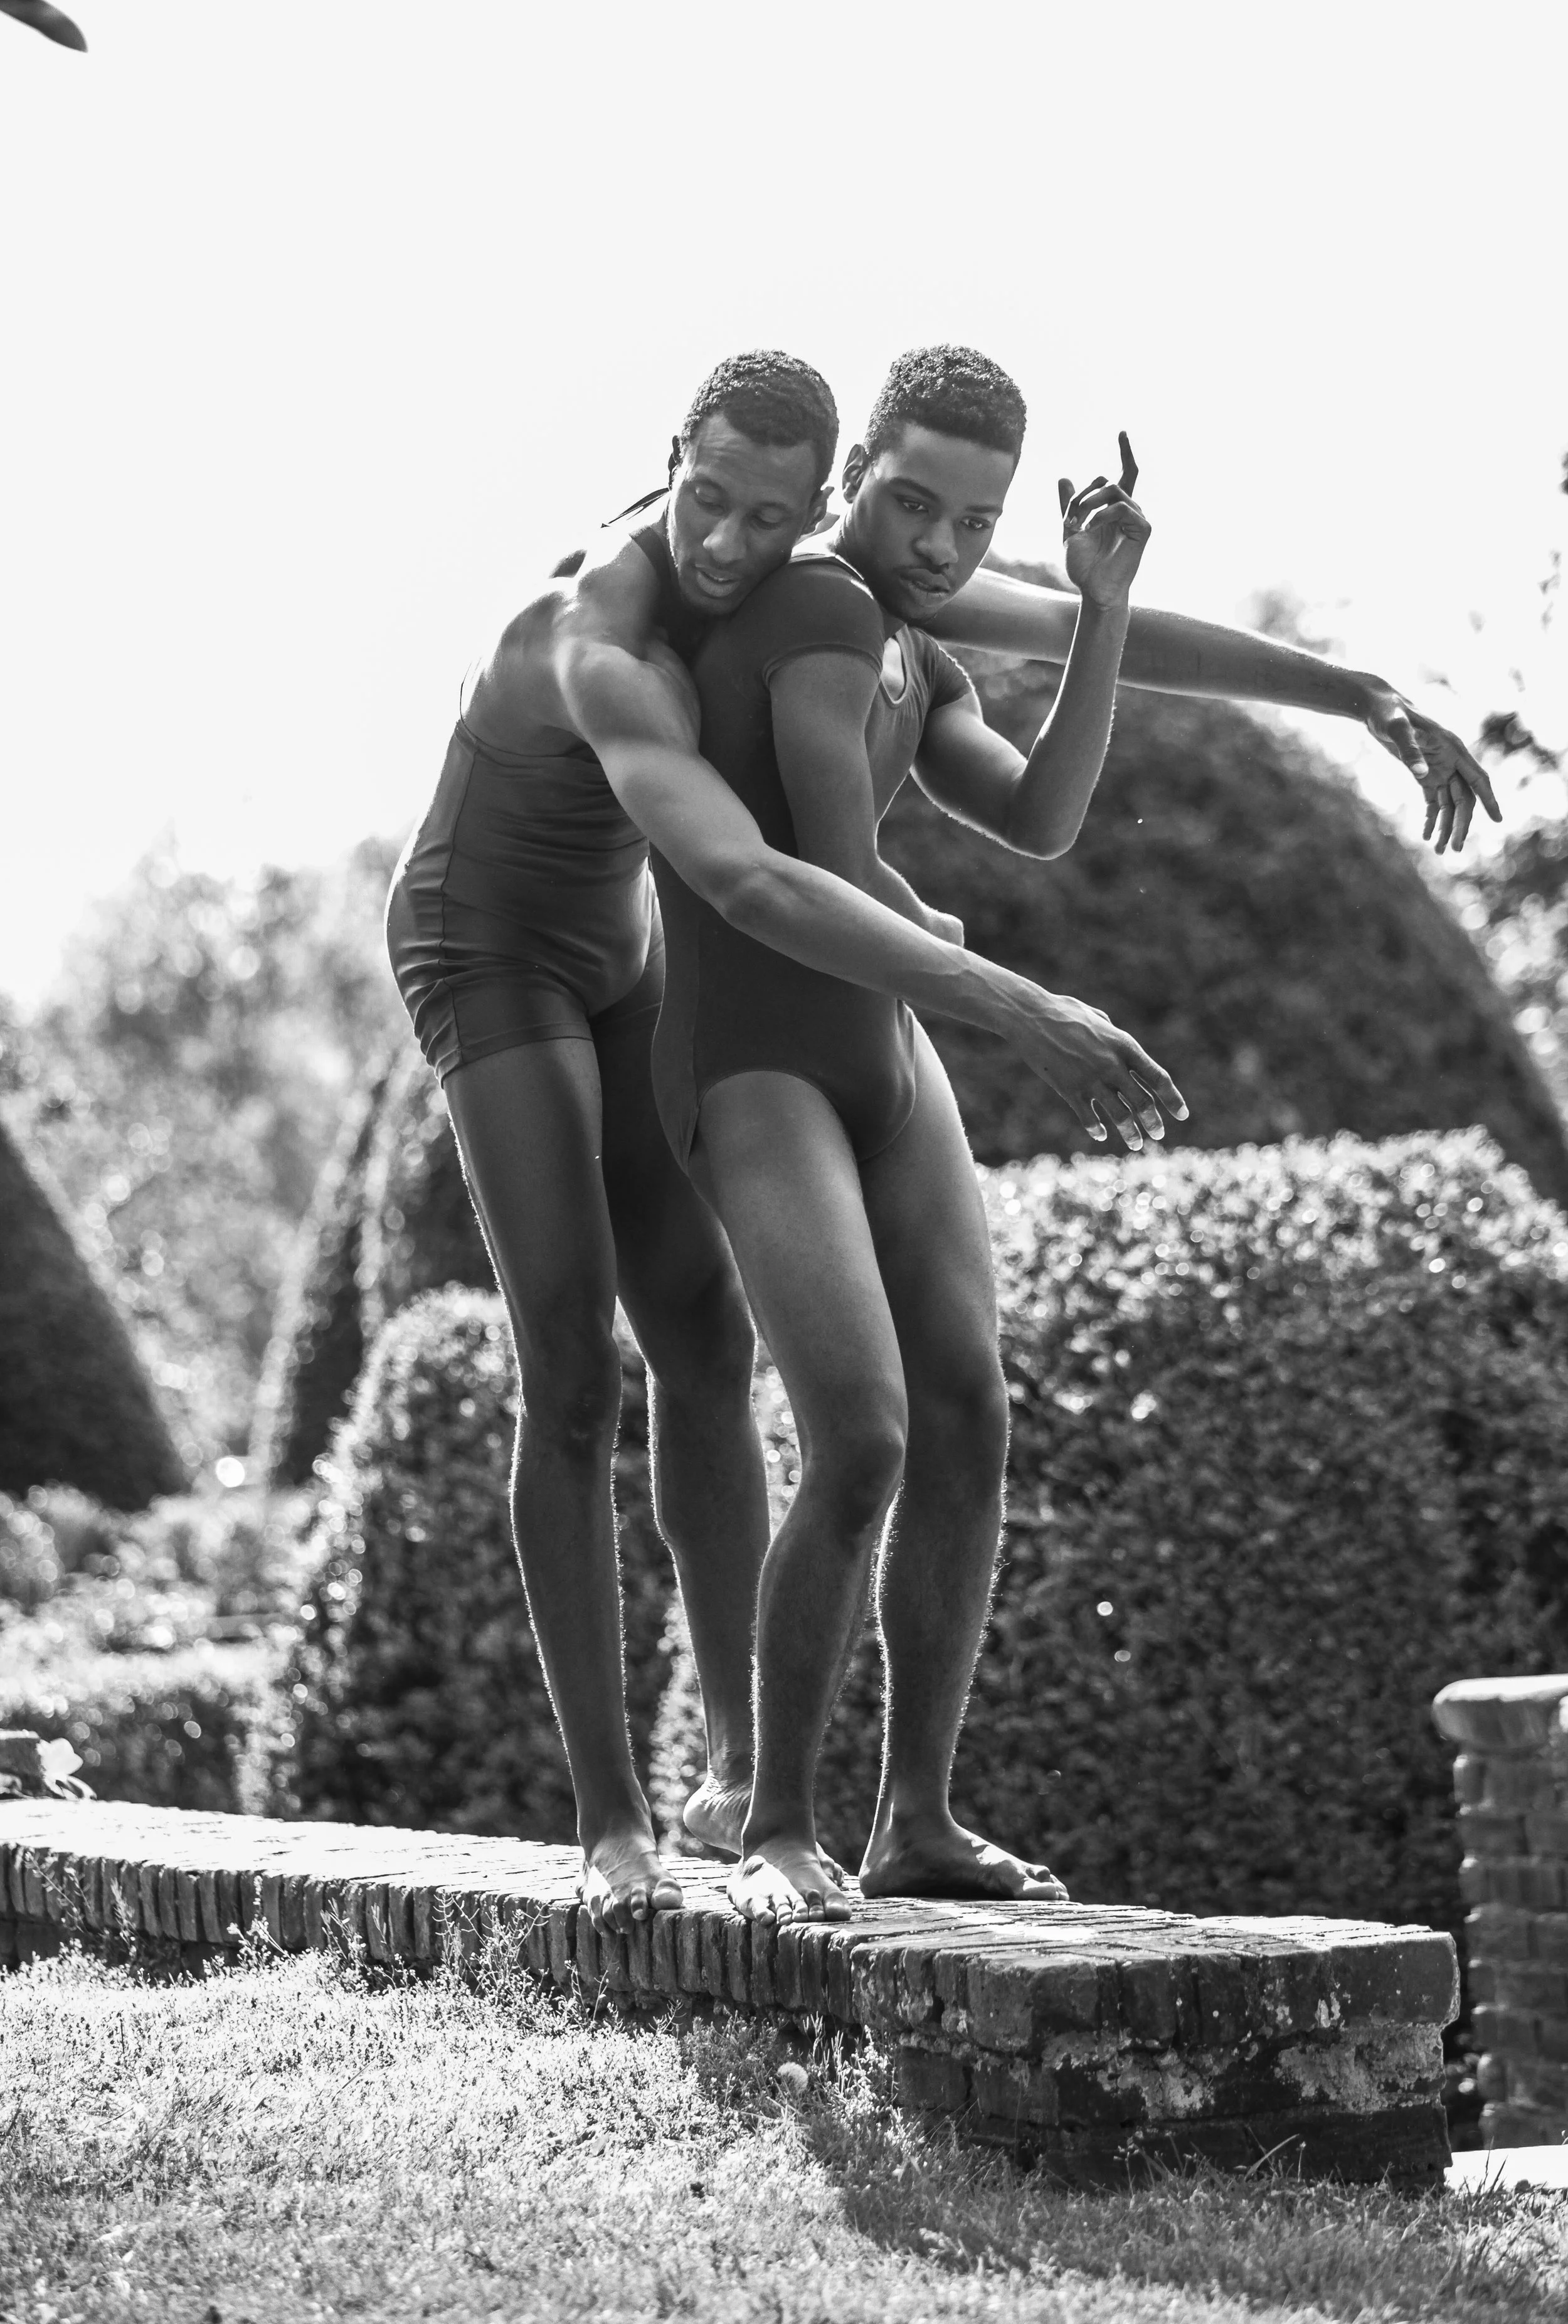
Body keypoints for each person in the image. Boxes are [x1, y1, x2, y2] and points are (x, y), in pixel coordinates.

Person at [388, 346, 1494, 1931]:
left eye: (764, 516)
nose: (726, 542)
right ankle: (611, 1825)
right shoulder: (606, 631)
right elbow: (756, 883)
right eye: (707, 500)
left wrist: (1360, 694)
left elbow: (1069, 620)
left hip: (627, 940)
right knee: (572, 1363)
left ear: (808, 503)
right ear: (674, 464)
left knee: (700, 1341)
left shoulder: (828, 571)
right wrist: (994, 988)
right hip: (487, 939)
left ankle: (735, 1770)